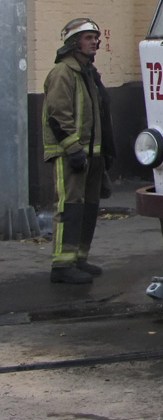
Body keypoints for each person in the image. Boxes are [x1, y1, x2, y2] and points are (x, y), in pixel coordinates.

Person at [42, 18, 115, 285]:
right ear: (73, 43)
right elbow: (57, 114)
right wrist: (73, 150)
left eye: (96, 37)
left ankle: (79, 259)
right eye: (88, 38)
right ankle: (62, 266)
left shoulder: (89, 73)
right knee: (70, 207)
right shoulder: (63, 73)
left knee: (89, 207)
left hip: (92, 155)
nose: (94, 42)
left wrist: (103, 155)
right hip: (71, 154)